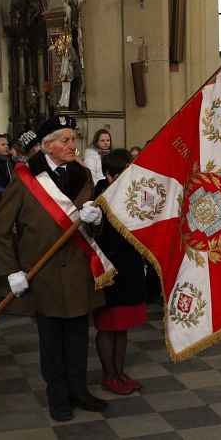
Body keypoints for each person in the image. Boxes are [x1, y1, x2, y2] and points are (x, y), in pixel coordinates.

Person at [0, 114, 109, 422]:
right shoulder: (26, 177)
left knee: (78, 335)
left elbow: (93, 218)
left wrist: (97, 223)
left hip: (79, 269)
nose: (73, 146)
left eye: (73, 139)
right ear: (49, 146)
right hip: (44, 274)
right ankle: (58, 395)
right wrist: (10, 270)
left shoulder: (83, 174)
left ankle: (79, 390)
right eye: (66, 140)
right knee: (52, 338)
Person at [93, 149, 147, 395]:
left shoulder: (133, 194)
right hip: (110, 270)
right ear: (108, 175)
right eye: (121, 174)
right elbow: (98, 236)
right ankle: (108, 375)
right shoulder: (98, 199)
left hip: (131, 269)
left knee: (123, 325)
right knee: (108, 326)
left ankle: (120, 373)